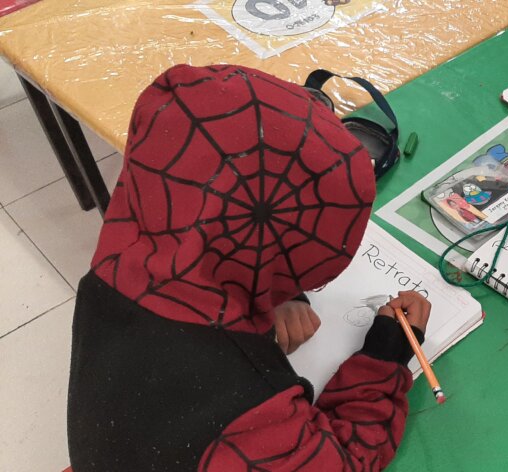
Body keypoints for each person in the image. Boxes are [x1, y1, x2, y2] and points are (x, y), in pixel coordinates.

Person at [67, 64, 431, 471]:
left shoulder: (109, 271)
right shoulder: (247, 408)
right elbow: (345, 462)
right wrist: (384, 357)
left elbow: (207, 213)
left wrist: (273, 293)